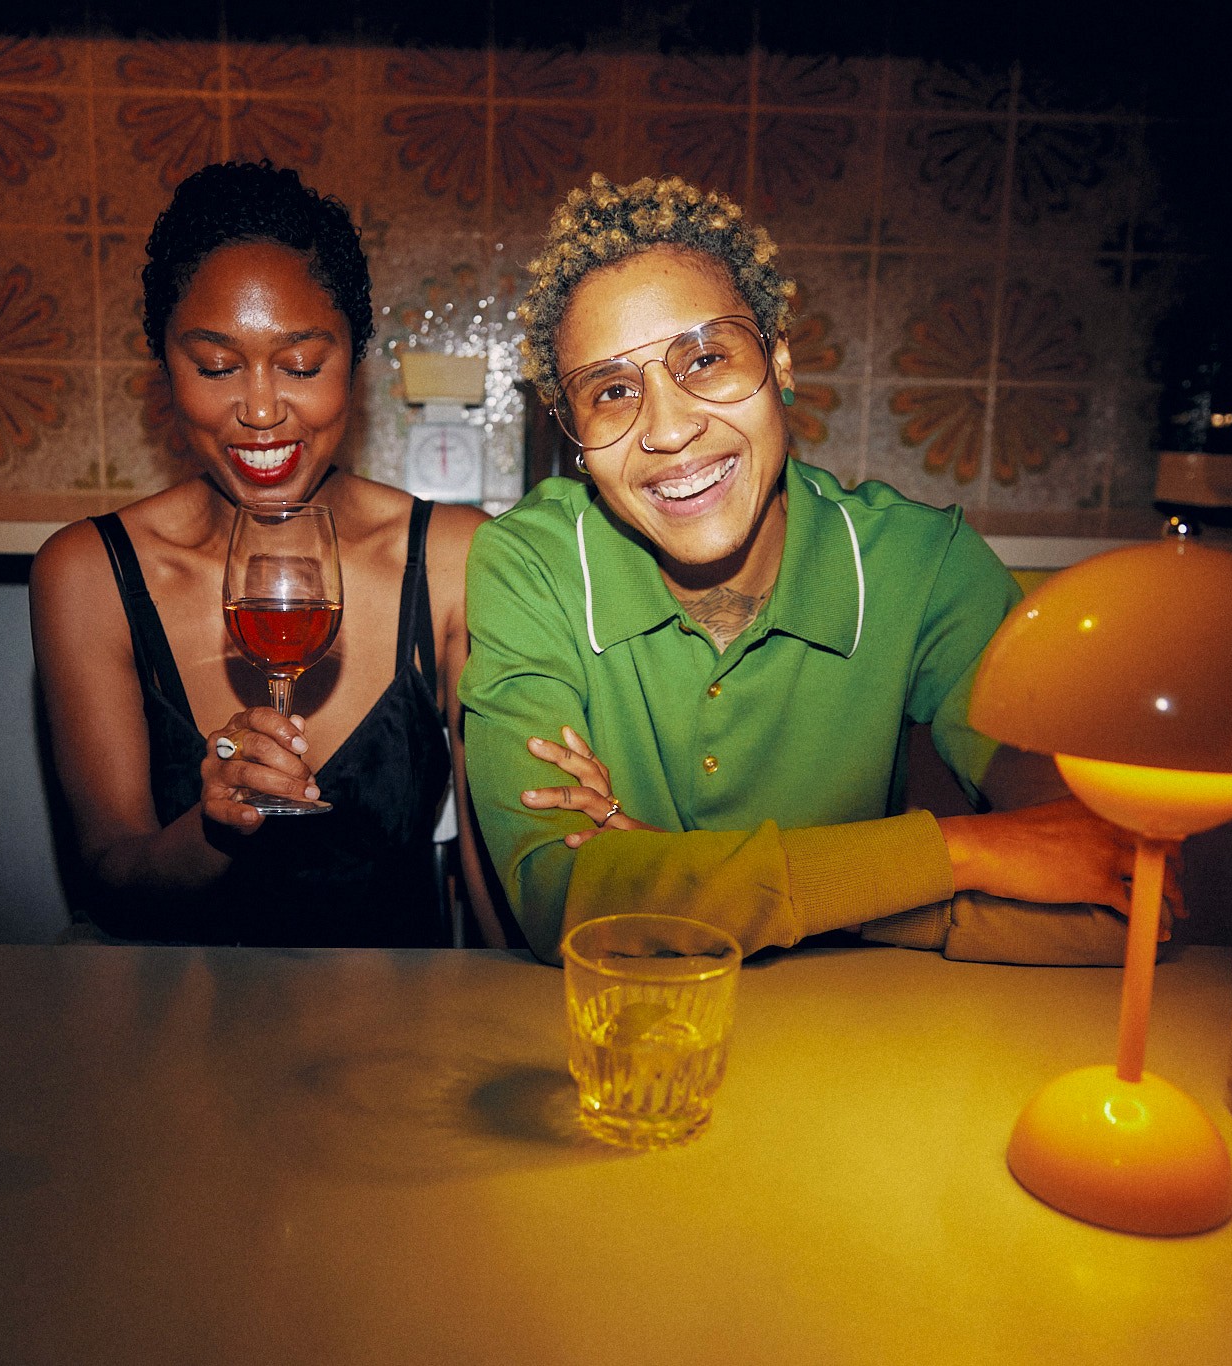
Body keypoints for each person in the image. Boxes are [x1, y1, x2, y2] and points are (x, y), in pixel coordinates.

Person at [462, 173, 1154, 964]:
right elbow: (562, 897)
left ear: (780, 360)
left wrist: (691, 889)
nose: (668, 426)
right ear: (574, 439)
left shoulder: (923, 567)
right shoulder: (531, 565)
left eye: (706, 359)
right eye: (612, 390)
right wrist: (960, 854)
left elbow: (1125, 903)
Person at [30, 160, 494, 946]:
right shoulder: (88, 573)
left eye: (303, 365)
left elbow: (492, 881)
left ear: (356, 360)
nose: (260, 410)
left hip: (399, 1045)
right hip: (183, 1046)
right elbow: (112, 880)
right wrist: (215, 825)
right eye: (215, 366)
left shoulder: (452, 559)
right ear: (165, 369)